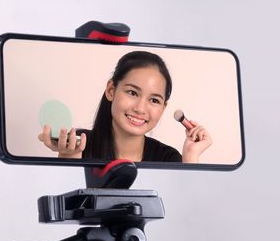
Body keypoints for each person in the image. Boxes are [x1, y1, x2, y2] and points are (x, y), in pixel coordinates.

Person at [37, 51, 212, 163]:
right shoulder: (78, 144)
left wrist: (190, 156)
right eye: (133, 93)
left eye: (154, 100)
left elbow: (185, 214)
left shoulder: (167, 158)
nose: (140, 108)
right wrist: (69, 156)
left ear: (163, 108)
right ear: (111, 90)